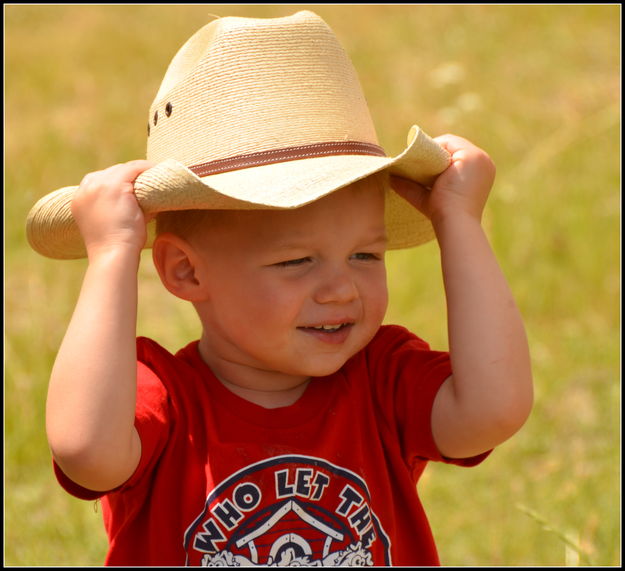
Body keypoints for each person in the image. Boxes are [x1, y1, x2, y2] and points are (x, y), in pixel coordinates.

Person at [26, 10, 532, 567]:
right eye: (296, 261)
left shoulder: (382, 381)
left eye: (366, 254)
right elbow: (84, 452)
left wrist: (458, 221)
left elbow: (495, 410)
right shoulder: (162, 401)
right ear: (187, 273)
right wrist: (112, 254)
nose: (341, 289)